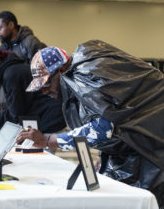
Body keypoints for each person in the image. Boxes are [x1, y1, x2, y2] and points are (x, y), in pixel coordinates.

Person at [17, 40, 164, 206]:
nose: (45, 91)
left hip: (151, 149)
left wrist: (48, 140)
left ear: (62, 69)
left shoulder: (86, 74)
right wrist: (103, 154)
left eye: (47, 83)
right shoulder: (87, 71)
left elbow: (103, 128)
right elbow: (116, 116)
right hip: (141, 143)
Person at [0, 42, 66, 133]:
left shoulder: (11, 74)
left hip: (52, 121)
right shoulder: (6, 73)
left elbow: (16, 114)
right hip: (48, 120)